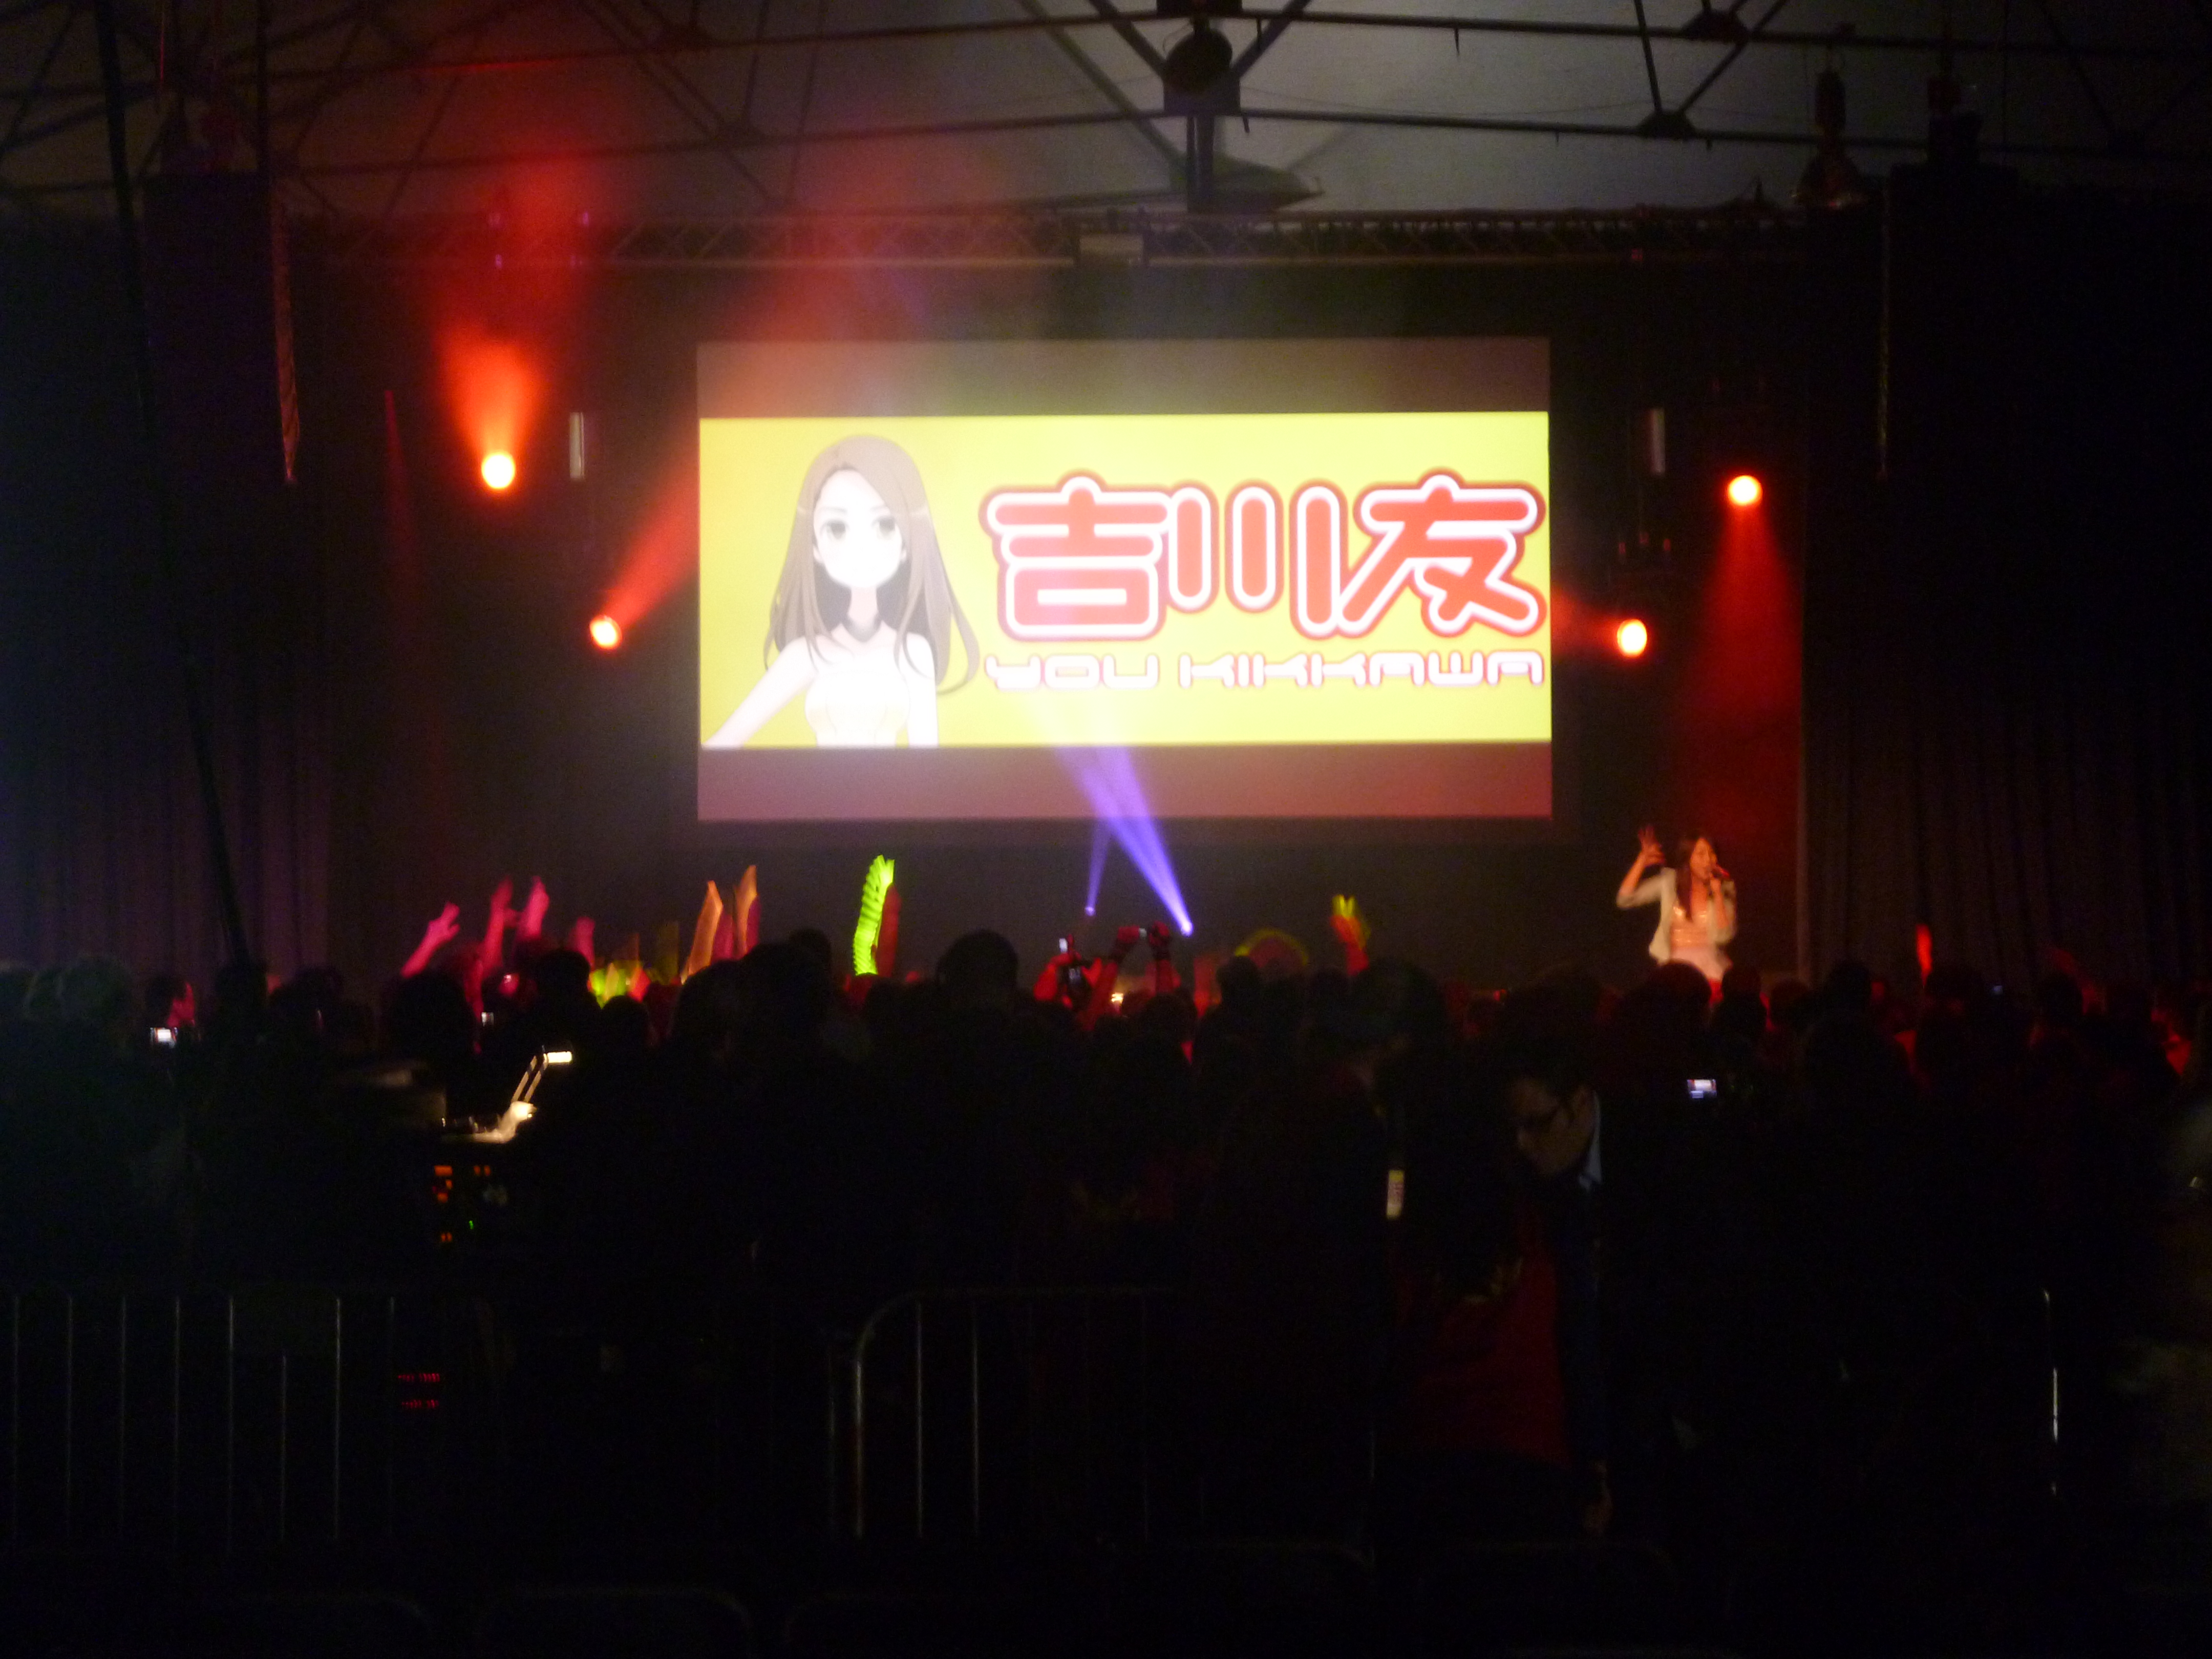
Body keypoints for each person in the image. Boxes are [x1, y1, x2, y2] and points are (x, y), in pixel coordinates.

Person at [704, 435, 977, 749]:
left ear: (907, 545)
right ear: (815, 548)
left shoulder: (913, 651)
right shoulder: (806, 653)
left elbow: (927, 758)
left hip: (893, 783)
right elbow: (723, 744)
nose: (860, 549)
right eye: (836, 529)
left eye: (886, 526)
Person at [1615, 824, 1735, 984]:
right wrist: (1642, 861)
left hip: (1711, 966)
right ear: (1687, 858)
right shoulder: (1670, 883)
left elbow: (1724, 937)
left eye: (1712, 853)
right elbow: (1625, 899)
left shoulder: (1725, 887)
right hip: (1674, 965)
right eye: (1701, 854)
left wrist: (1718, 893)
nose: (1708, 860)